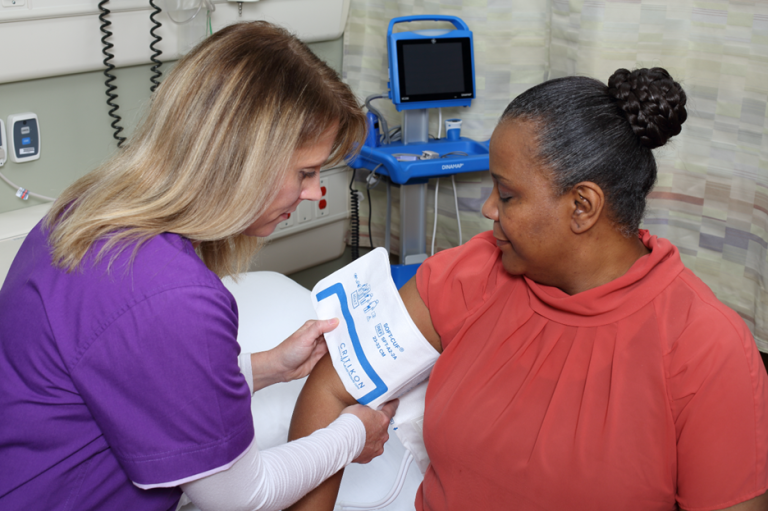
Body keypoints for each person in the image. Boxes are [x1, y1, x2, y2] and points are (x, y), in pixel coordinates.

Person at [286, 68, 768, 510]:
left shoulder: (706, 348)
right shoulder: (476, 271)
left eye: (508, 194)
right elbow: (332, 390)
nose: (490, 210)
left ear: (583, 205)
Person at [0, 21, 398, 511]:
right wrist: (353, 435)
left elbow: (135, 373)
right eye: (306, 172)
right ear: (245, 158)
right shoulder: (173, 295)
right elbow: (240, 496)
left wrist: (268, 367)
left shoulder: (85, 208)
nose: (315, 193)